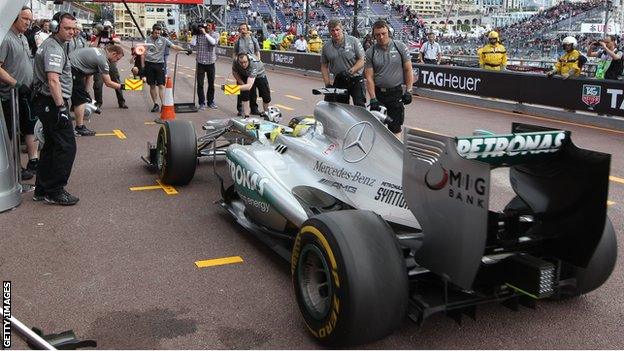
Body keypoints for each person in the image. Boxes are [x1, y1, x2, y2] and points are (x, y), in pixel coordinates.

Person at [31, 12, 79, 205]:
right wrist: (61, 108)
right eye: (67, 28)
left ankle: (42, 189)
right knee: (67, 146)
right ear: (55, 26)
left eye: (73, 28)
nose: (71, 32)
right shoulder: (53, 49)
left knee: (51, 146)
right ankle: (55, 190)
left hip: (47, 102)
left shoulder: (56, 45)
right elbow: (53, 80)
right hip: (52, 102)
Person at [0, 6, 37, 180]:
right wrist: (16, 84)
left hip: (24, 93)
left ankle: (31, 162)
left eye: (30, 20)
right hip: (10, 95)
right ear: (14, 18)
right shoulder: (6, 39)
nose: (28, 23)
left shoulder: (22, 37)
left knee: (28, 127)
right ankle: (15, 168)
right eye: (24, 19)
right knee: (11, 132)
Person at [364, 20, 413, 136]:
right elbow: (369, 77)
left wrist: (409, 91)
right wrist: (373, 99)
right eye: (377, 35)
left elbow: (408, 69)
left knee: (395, 128)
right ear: (374, 36)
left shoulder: (400, 47)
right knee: (376, 129)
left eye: (383, 33)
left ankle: (396, 153)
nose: (381, 37)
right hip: (379, 94)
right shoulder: (370, 52)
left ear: (388, 32)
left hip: (396, 94)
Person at [69, 45, 125, 136]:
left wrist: (86, 91)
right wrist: (124, 87)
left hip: (72, 66)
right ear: (114, 54)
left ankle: (68, 119)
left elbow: (88, 74)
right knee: (80, 101)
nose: (116, 62)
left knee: (79, 96)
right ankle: (79, 128)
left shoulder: (99, 51)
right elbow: (108, 83)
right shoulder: (103, 60)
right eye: (117, 59)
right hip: (73, 69)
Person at [142, 23, 192, 113]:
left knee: (161, 85)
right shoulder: (147, 40)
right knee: (152, 85)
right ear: (152, 32)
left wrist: (184, 50)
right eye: (155, 33)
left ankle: (163, 104)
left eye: (158, 33)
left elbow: (174, 46)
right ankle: (155, 104)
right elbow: (142, 52)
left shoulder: (164, 40)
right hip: (149, 64)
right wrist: (142, 66)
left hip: (159, 64)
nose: (157, 34)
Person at [320, 19, 366, 106]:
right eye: (332, 30)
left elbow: (362, 60)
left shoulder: (353, 41)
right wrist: (327, 84)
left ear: (342, 29)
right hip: (339, 80)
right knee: (341, 108)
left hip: (355, 79)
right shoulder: (326, 46)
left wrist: (350, 71)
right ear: (329, 31)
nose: (335, 32)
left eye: (337, 30)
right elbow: (324, 66)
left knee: (360, 106)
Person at [90, 20, 127, 109]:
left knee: (116, 80)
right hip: (99, 61)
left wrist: (110, 38)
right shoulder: (97, 36)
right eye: (105, 28)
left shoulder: (112, 36)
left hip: (111, 62)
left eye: (108, 28)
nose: (107, 30)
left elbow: (118, 41)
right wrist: (99, 36)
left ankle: (121, 101)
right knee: (98, 83)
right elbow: (92, 47)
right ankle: (98, 103)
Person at [230, 53, 271, 117]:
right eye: (241, 63)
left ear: (248, 60)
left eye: (245, 62)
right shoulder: (235, 62)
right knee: (244, 94)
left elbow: (249, 86)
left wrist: (230, 89)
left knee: (266, 95)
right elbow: (234, 72)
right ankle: (246, 115)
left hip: (259, 75)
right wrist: (241, 83)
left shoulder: (253, 64)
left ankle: (267, 114)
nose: (243, 64)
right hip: (244, 74)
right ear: (238, 61)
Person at [233, 23, 261, 115]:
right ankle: (240, 109)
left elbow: (257, 52)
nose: (242, 30)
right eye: (240, 29)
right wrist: (235, 61)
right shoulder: (238, 41)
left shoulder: (253, 40)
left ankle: (254, 108)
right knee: (240, 87)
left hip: (251, 66)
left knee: (252, 88)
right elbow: (235, 53)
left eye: (244, 29)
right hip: (241, 66)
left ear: (247, 29)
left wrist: (258, 60)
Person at [191, 21, 219, 110]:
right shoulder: (198, 35)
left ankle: (210, 102)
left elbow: (213, 42)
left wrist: (205, 33)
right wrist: (195, 34)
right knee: (200, 84)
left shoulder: (215, 34)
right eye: (206, 25)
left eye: (209, 25)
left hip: (211, 63)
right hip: (200, 63)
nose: (207, 27)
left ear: (212, 26)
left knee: (211, 84)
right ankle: (201, 103)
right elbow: (192, 44)